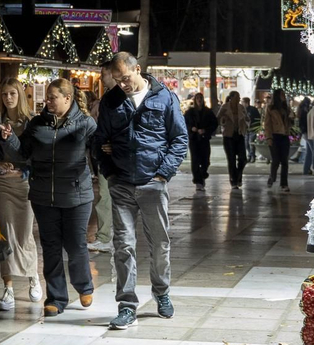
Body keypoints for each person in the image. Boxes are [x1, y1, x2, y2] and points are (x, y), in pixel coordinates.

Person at [92, 52, 188, 330]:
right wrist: (109, 172)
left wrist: (162, 174)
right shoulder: (111, 101)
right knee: (123, 246)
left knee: (160, 244)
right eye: (117, 80)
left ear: (138, 69)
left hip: (153, 184)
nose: (122, 84)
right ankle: (126, 305)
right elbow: (99, 141)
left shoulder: (164, 97)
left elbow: (179, 138)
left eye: (126, 78)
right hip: (121, 183)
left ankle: (162, 293)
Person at [2, 78, 99, 316]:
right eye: (47, 97)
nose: (48, 101)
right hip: (44, 196)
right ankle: (55, 297)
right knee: (51, 247)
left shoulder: (85, 123)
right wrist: (10, 139)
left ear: (68, 98)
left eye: (53, 97)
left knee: (76, 245)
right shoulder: (37, 124)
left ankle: (84, 286)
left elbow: (98, 153)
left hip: (77, 195)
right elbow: (22, 154)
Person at [0, 77, 42, 309]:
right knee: (5, 235)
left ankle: (33, 277)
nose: (8, 98)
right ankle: (7, 288)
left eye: (13, 94)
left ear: (20, 95)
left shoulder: (31, 123)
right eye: (5, 94)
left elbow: (35, 156)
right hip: (5, 185)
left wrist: (23, 168)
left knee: (25, 233)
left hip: (25, 184)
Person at [85, 64, 118, 252]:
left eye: (104, 75)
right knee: (108, 195)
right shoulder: (108, 99)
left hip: (110, 155)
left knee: (106, 196)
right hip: (106, 154)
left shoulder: (111, 100)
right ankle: (107, 235)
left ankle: (106, 236)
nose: (101, 78)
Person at [184, 92, 218, 192]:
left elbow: (214, 124)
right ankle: (198, 181)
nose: (199, 100)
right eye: (197, 98)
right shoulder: (190, 112)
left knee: (205, 160)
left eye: (201, 98)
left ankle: (203, 174)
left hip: (204, 138)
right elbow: (184, 123)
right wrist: (191, 128)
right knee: (195, 160)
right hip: (194, 139)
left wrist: (206, 130)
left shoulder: (208, 112)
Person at [265, 90, 293, 193]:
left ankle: (284, 184)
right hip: (275, 136)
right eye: (282, 94)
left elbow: (290, 122)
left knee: (284, 161)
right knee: (276, 160)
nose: (284, 96)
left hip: (284, 136)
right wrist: (269, 138)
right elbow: (267, 124)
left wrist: (291, 118)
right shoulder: (270, 108)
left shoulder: (286, 108)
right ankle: (272, 177)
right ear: (277, 96)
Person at [218, 91, 248, 189]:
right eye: (237, 97)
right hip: (228, 135)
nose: (239, 98)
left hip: (239, 135)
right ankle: (233, 180)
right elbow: (218, 118)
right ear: (231, 98)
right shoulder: (225, 107)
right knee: (231, 159)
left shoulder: (241, 107)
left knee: (243, 158)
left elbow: (247, 118)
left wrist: (245, 126)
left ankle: (238, 175)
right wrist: (223, 121)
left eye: (239, 97)